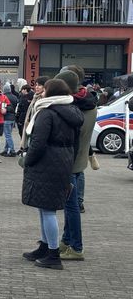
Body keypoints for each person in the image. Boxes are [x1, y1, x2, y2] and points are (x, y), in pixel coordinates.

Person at [21, 78, 83, 270]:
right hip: (63, 161)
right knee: (44, 206)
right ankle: (45, 246)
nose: (41, 91)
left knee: (47, 210)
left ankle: (53, 254)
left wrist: (27, 160)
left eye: (45, 89)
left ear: (51, 93)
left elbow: (38, 143)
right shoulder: (73, 111)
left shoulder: (46, 113)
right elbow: (76, 143)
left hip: (46, 162)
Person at [55, 67, 97, 261]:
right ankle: (67, 240)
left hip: (69, 161)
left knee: (71, 208)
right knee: (71, 205)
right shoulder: (90, 102)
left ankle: (76, 246)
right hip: (79, 162)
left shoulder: (74, 108)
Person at [1, 83, 18, 157]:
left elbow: (3, 109)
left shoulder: (4, 97)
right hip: (13, 118)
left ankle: (12, 150)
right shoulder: (15, 97)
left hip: (6, 118)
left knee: (7, 135)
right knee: (9, 135)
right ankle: (5, 149)